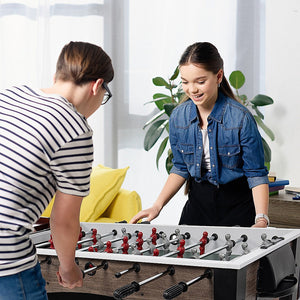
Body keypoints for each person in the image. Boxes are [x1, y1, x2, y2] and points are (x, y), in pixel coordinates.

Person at [0, 41, 114, 299]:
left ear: (57, 75)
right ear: (97, 86)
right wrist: (68, 267)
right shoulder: (76, 129)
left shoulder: (10, 94)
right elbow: (63, 221)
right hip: (6, 259)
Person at [130, 42, 269, 228]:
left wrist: (261, 219)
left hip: (237, 207)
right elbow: (180, 167)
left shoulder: (241, 118)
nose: (192, 89)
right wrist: (157, 206)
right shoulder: (179, 117)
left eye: (200, 82)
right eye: (185, 82)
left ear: (218, 76)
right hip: (198, 206)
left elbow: (256, 173)